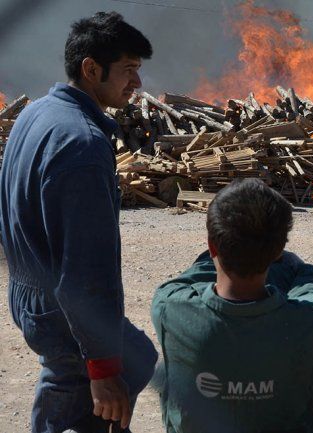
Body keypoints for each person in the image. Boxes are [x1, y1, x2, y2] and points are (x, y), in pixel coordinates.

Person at [0, 12, 157, 433]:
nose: (137, 82)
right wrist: (102, 368)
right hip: (60, 308)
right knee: (90, 381)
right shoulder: (82, 144)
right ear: (91, 69)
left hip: (30, 293)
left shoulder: (35, 114)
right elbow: (87, 269)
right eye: (128, 69)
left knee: (134, 358)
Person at [151, 178, 313, 433]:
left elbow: (190, 277)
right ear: (278, 250)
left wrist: (221, 253)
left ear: (212, 246)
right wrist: (295, 266)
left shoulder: (171, 308)